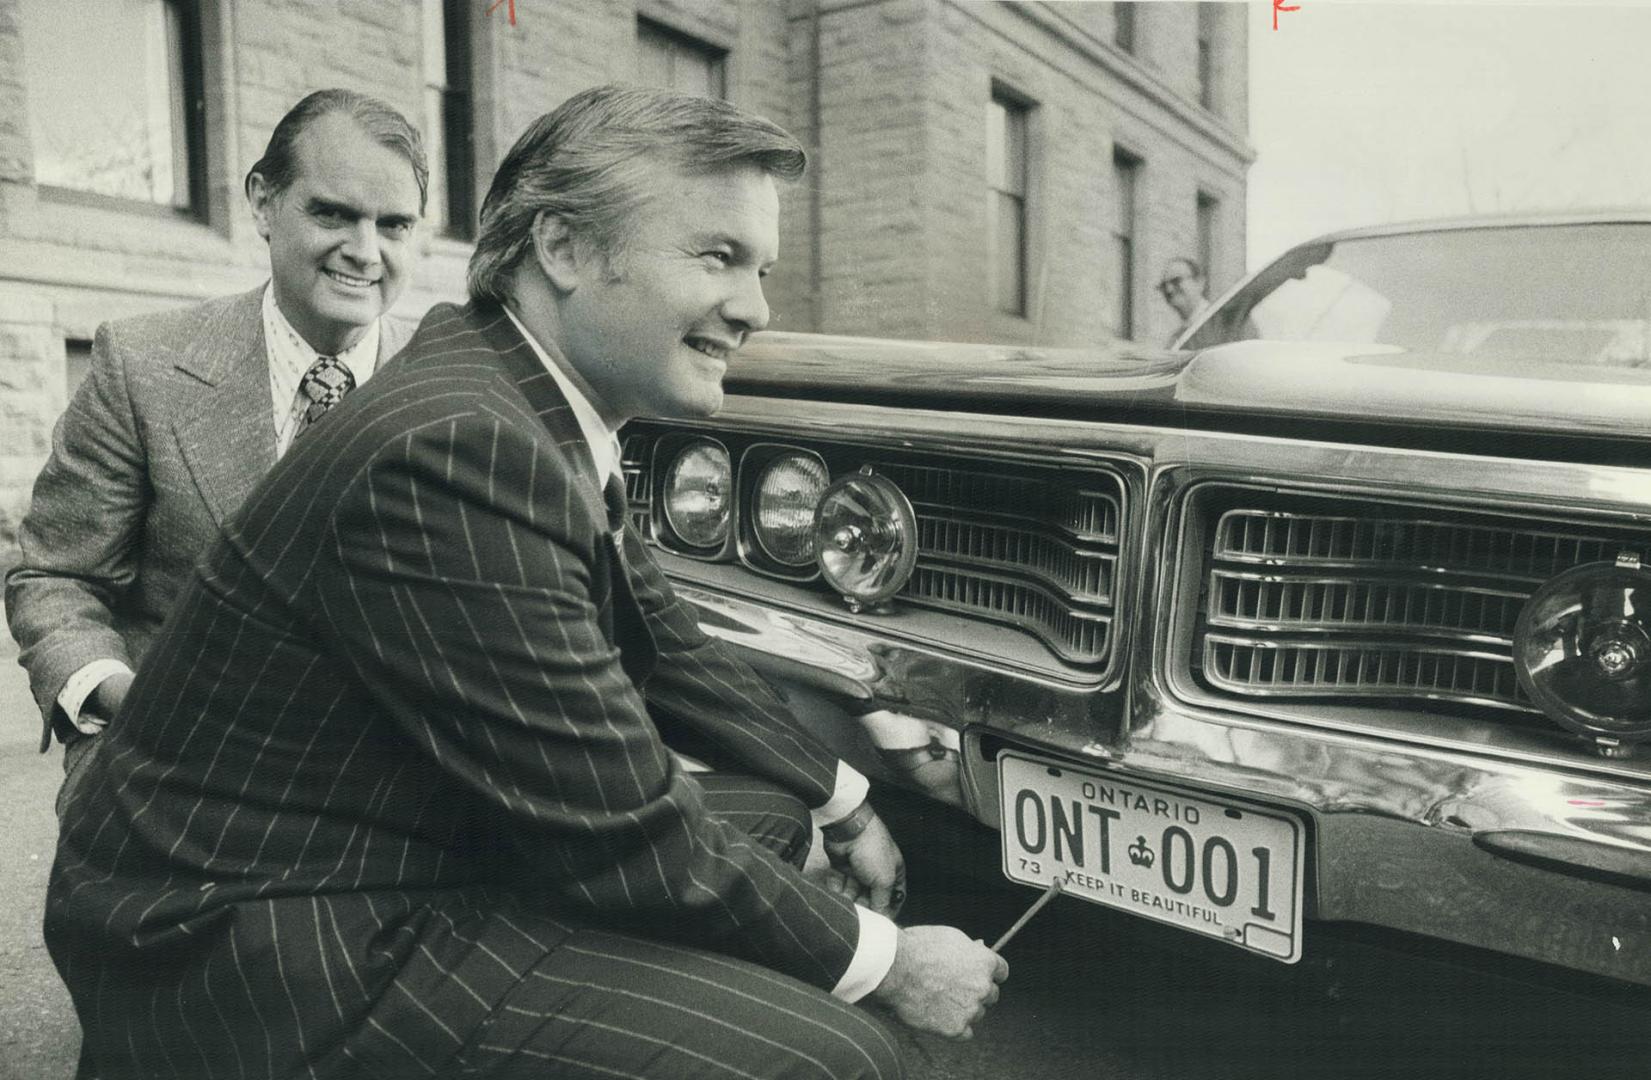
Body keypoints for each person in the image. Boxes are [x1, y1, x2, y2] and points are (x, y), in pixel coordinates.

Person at [45, 85, 1006, 1079]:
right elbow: (622, 827)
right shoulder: (463, 446)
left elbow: (662, 636)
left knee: (768, 817)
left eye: (760, 268)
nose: (755, 307)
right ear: (561, 247)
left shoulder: (510, 390)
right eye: (716, 257)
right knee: (847, 1057)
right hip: (254, 939)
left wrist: (838, 793)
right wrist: (887, 961)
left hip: (373, 842)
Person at [5, 89, 426, 795]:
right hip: (174, 774)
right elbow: (57, 578)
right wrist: (126, 702)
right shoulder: (142, 366)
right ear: (262, 202)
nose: (364, 251)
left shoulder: (448, 387)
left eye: (393, 225)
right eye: (331, 213)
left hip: (391, 795)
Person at [1158, 255, 1210, 345]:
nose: (1169, 289)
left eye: (1176, 281)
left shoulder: (1216, 322)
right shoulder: (1175, 339)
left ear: (1199, 282)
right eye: (1163, 285)